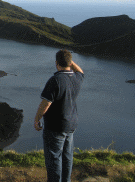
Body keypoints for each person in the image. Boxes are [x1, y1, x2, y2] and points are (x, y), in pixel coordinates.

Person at [34, 49, 84, 182]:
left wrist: (36, 119)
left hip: (55, 127)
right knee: (67, 157)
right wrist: (71, 62)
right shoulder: (76, 78)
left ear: (56, 63)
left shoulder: (55, 80)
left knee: (54, 159)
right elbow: (80, 71)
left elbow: (45, 104)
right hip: (71, 125)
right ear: (69, 62)